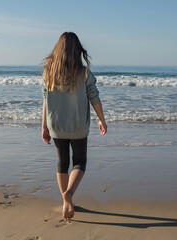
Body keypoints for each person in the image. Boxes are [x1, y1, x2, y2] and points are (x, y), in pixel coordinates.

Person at [41, 32, 107, 220]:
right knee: (79, 162)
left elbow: (45, 101)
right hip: (78, 125)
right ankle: (69, 194)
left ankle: (65, 202)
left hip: (56, 126)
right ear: (77, 50)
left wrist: (44, 127)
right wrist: (102, 119)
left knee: (61, 164)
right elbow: (94, 96)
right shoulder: (84, 72)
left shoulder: (48, 72)